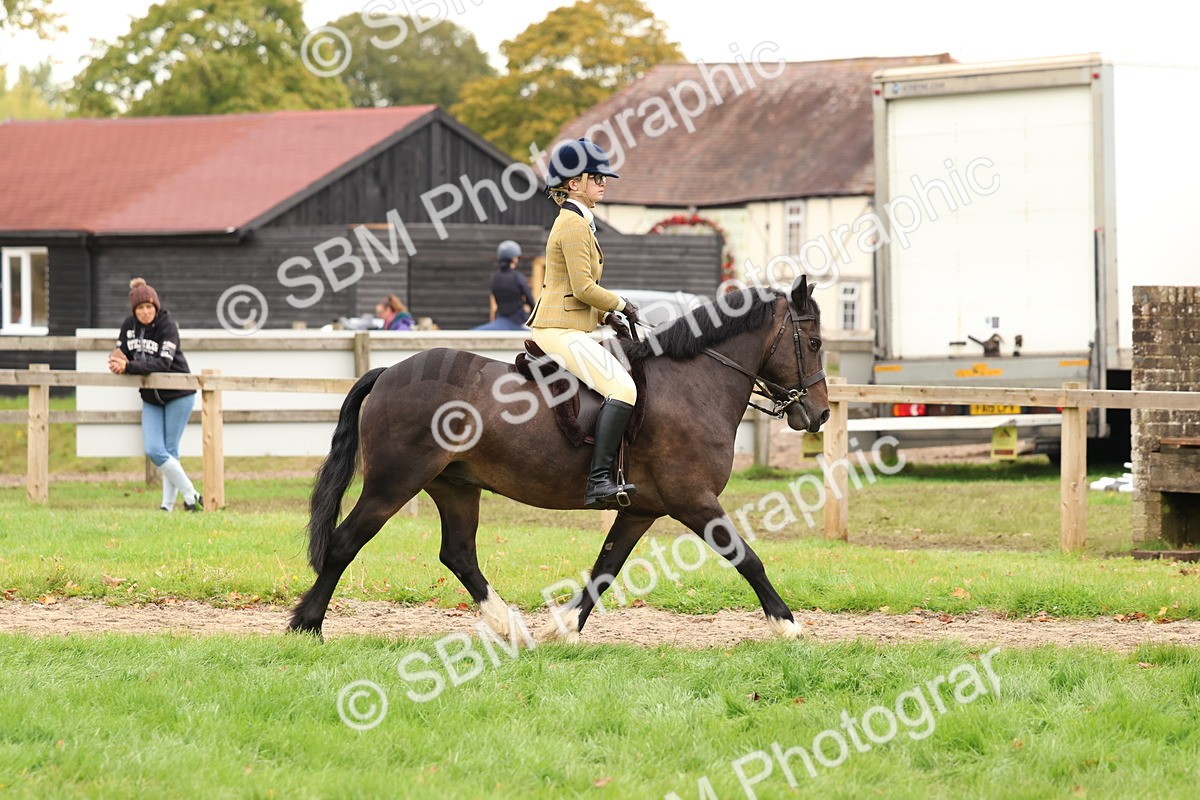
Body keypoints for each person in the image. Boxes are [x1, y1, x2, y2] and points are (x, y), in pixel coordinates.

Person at [526, 137, 641, 508]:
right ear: (574, 183)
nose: (604, 182)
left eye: (604, 177)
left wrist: (607, 314)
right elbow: (584, 286)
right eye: (596, 177)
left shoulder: (579, 221)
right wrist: (622, 303)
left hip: (570, 324)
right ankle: (599, 481)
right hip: (557, 330)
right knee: (623, 390)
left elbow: (574, 291)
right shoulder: (573, 225)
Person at [107, 277, 202, 512]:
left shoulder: (167, 325)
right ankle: (192, 494)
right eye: (141, 307)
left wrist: (129, 367)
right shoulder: (128, 326)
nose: (146, 311)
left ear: (156, 307)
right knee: (154, 449)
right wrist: (117, 362)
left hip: (179, 394)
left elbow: (163, 363)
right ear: (134, 310)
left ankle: (167, 506)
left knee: (168, 450)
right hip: (151, 396)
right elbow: (120, 353)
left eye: (149, 306)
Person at [473, 240, 535, 331]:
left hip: (500, 317)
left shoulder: (495, 277)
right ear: (514, 259)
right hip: (517, 320)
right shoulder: (517, 277)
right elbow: (530, 300)